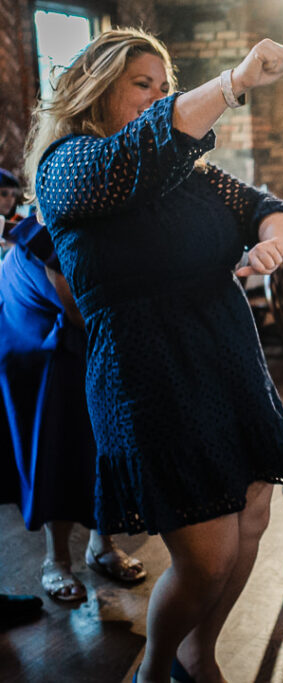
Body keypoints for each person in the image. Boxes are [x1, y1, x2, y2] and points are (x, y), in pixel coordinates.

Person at [26, 29, 283, 682]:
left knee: (254, 516)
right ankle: (155, 666)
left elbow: (263, 204)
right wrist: (233, 83)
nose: (156, 97)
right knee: (207, 553)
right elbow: (139, 154)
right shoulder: (69, 166)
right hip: (149, 375)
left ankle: (196, 651)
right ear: (97, 91)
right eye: (141, 85)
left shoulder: (190, 173)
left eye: (163, 86)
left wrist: (274, 238)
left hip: (229, 361)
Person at [1, 215, 146, 602]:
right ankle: (57, 560)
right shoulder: (43, 237)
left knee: (104, 446)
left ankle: (101, 545)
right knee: (58, 452)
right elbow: (82, 312)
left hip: (83, 343)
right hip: (45, 349)